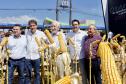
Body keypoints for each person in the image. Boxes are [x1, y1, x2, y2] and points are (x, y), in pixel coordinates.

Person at [25, 19, 47, 84]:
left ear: (36, 26)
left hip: (37, 56)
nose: (32, 27)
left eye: (33, 25)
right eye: (31, 26)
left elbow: (46, 42)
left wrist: (43, 48)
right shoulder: (27, 33)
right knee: (28, 74)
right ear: (29, 26)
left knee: (37, 73)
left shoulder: (41, 33)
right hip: (28, 57)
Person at [66, 19, 87, 84]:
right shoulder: (69, 34)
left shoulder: (84, 34)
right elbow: (65, 43)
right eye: (73, 25)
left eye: (76, 24)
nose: (75, 26)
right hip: (72, 57)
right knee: (74, 74)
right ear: (72, 26)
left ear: (79, 25)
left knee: (83, 74)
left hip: (81, 57)